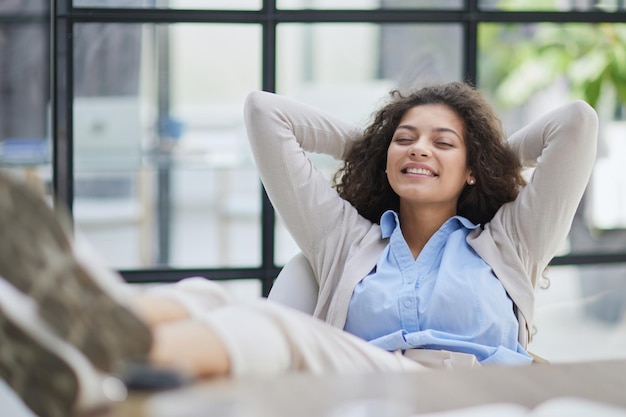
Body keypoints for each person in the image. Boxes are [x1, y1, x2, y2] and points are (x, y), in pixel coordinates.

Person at [0, 82, 598, 417]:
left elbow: (576, 124)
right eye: (405, 140)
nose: (419, 149)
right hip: (372, 380)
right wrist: (377, 150)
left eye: (443, 143)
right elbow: (266, 113)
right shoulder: (346, 239)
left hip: (482, 389)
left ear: (472, 169)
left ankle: (96, 349)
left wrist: (484, 155)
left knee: (276, 327)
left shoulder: (509, 243)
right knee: (209, 296)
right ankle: (85, 329)